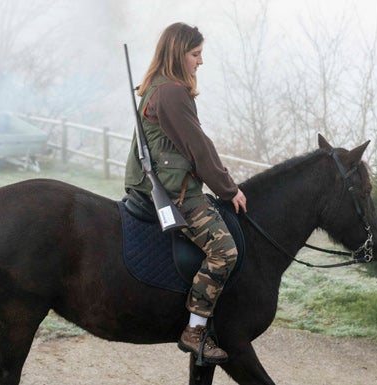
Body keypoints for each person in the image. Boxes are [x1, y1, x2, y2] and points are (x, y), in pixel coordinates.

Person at [125, 22, 247, 363]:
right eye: (196, 54)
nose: (200, 62)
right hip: (175, 192)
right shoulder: (172, 92)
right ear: (179, 54)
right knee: (225, 252)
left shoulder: (156, 88)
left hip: (160, 183)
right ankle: (194, 331)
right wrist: (228, 188)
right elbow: (198, 148)